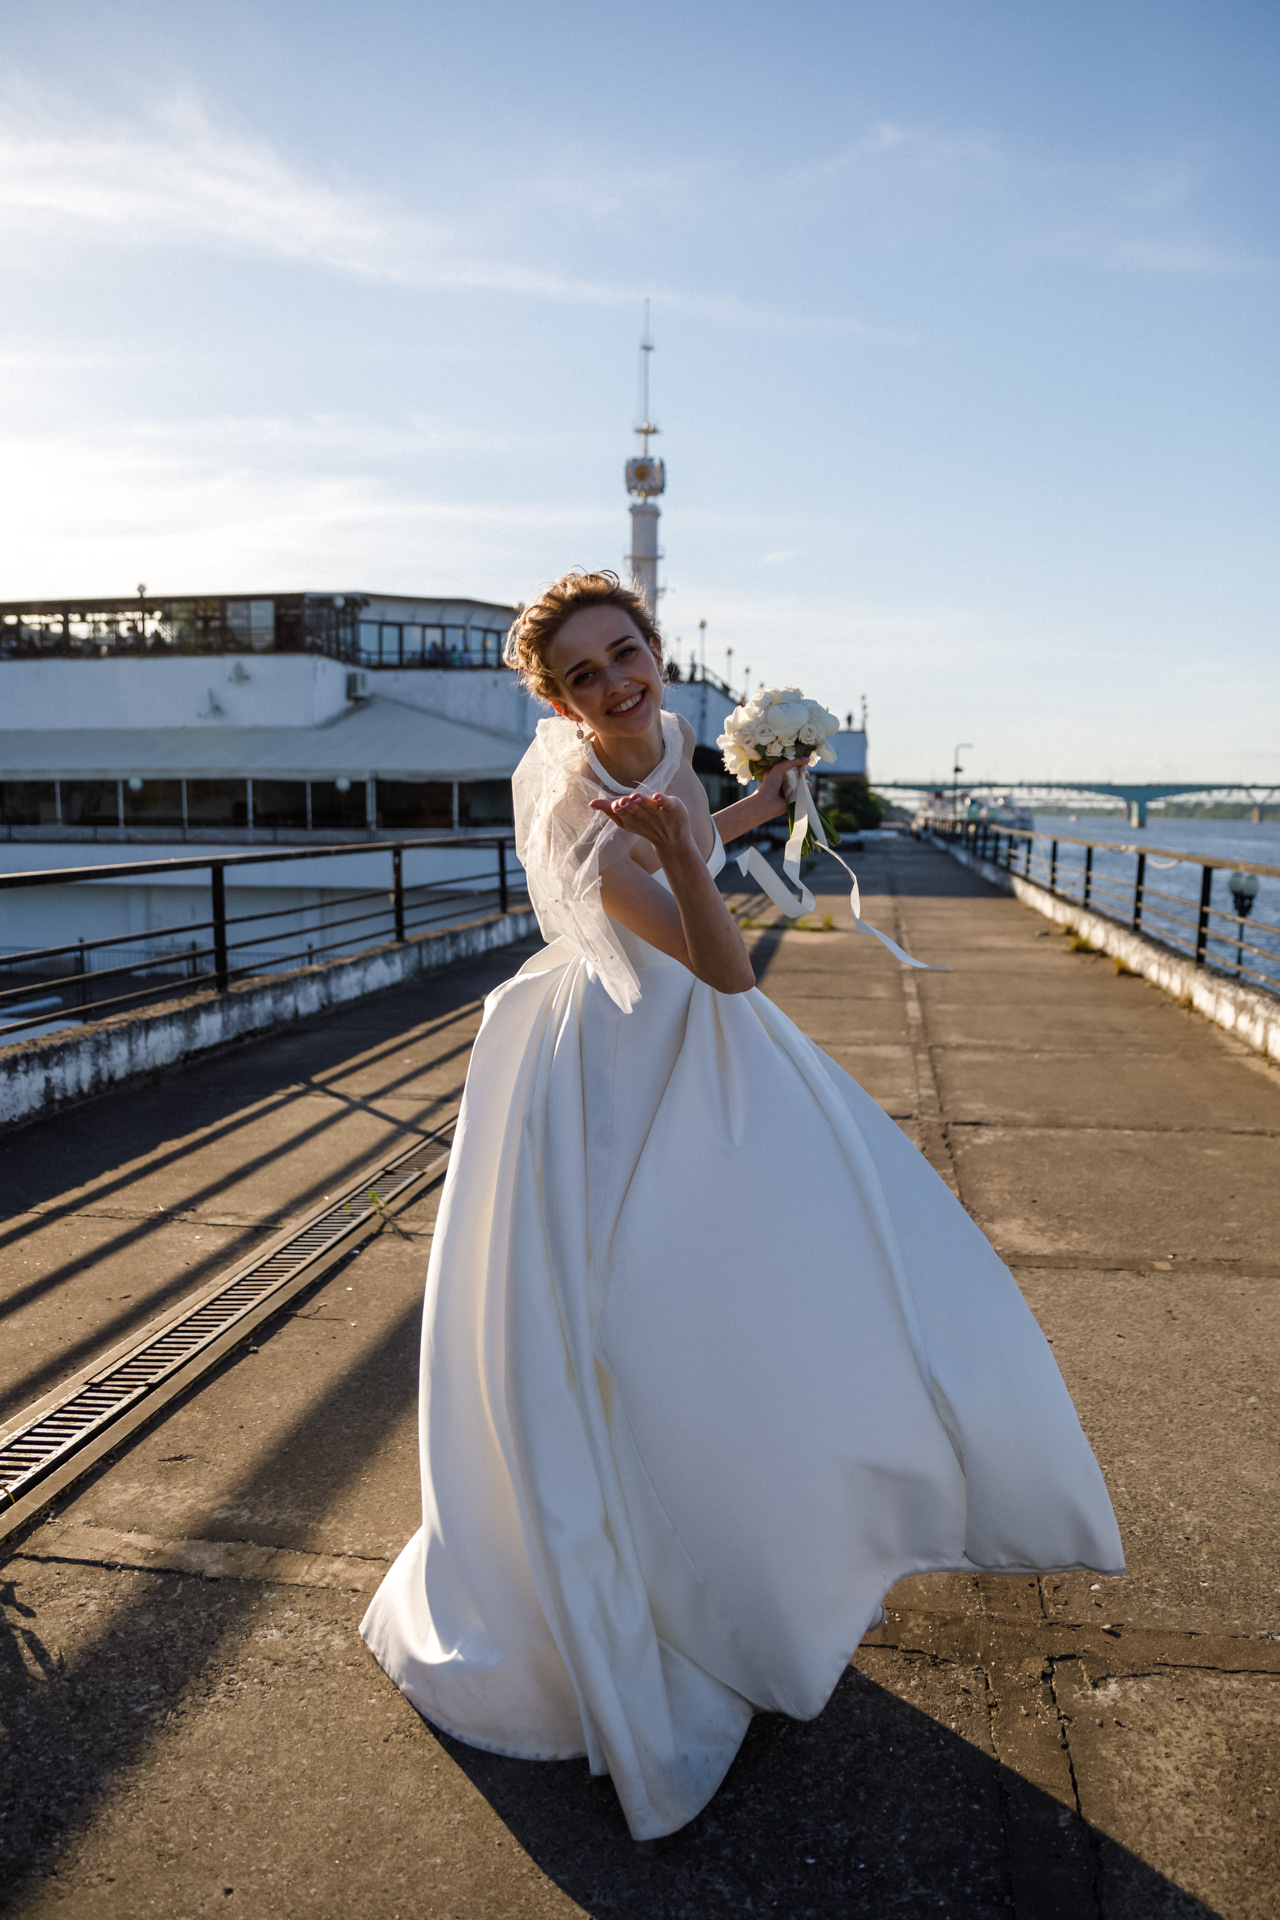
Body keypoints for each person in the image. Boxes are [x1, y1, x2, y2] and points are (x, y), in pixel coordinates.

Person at [361, 569, 1123, 1841]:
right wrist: (672, 847)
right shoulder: (584, 813)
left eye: (625, 655)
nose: (615, 687)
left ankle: (788, 1532)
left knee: (811, 1265)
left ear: (658, 649)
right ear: (552, 702)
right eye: (582, 679)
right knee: (624, 1330)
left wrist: (761, 800)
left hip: (681, 1039)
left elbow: (697, 845)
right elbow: (719, 965)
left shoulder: (661, 743)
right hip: (607, 1070)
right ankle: (652, 1586)